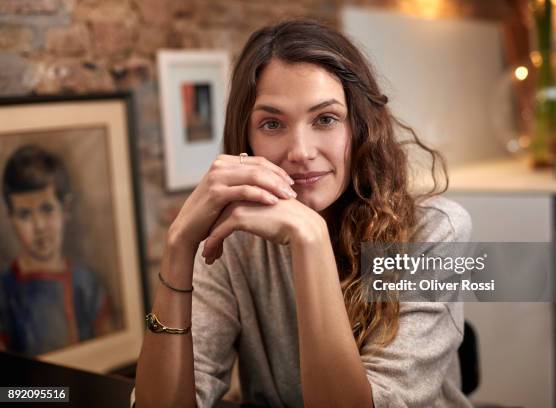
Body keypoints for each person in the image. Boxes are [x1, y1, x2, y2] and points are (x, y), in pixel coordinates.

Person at [135, 19, 472, 408]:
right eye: (272, 123)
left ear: (360, 127)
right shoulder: (233, 239)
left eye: (325, 119)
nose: (300, 151)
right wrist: (179, 246)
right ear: (246, 138)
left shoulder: (435, 232)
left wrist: (309, 239)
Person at [0, 144, 113, 355]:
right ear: (11, 219)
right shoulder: (5, 293)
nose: (39, 226)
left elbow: (109, 350)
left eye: (47, 209)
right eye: (25, 215)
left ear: (65, 209)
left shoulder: (86, 284)